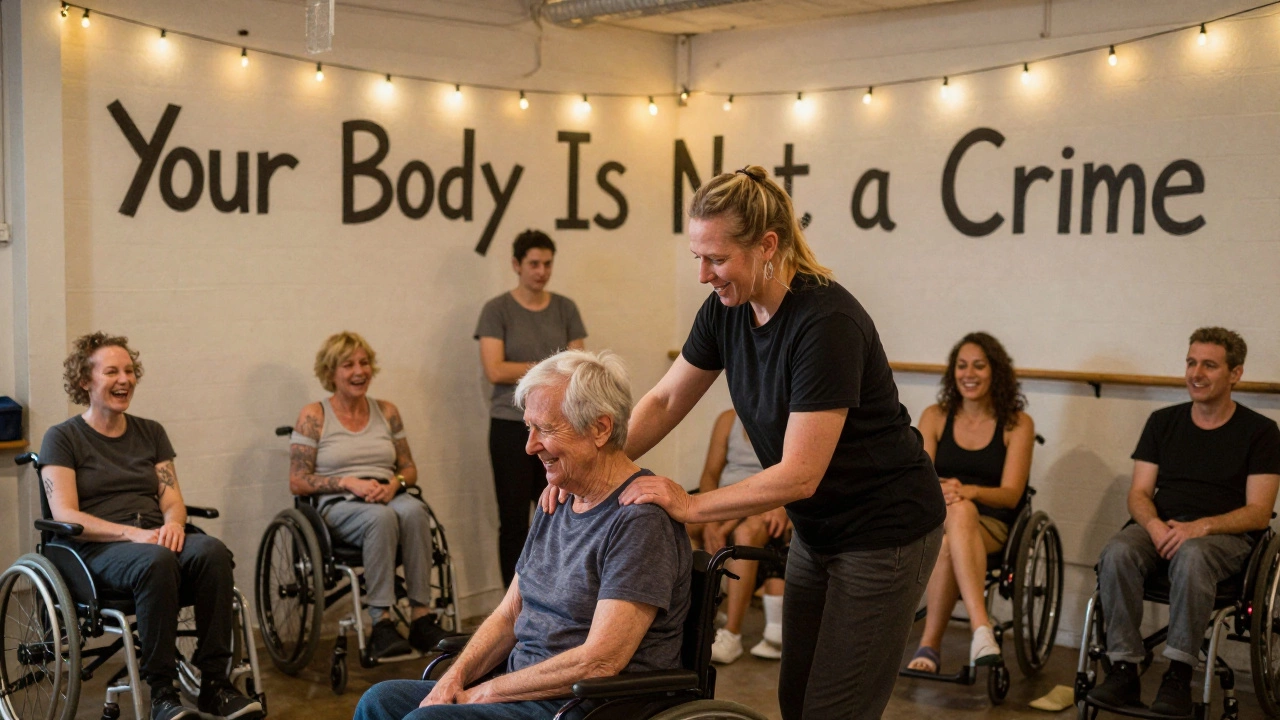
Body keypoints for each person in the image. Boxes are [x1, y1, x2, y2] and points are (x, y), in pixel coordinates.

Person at [547, 166, 947, 720]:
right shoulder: (725, 311)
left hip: (886, 531)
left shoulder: (826, 322)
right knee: (796, 698)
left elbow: (799, 474)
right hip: (819, 528)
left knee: (835, 710)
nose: (704, 275)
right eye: (698, 258)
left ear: (766, 246)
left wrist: (689, 504)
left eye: (716, 259)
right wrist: (591, 470)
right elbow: (664, 402)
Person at [353, 349, 690, 720]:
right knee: (379, 701)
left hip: (587, 704)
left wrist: (485, 692)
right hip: (524, 688)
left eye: (545, 429)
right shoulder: (560, 498)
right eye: (529, 427)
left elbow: (599, 661)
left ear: (600, 428)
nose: (529, 446)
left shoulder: (639, 520)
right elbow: (510, 611)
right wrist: (455, 679)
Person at [39, 332, 263, 720]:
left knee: (211, 551)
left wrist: (176, 524)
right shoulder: (62, 437)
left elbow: (172, 498)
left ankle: (215, 684)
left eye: (129, 370)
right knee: (156, 561)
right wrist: (134, 534)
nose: (124, 379)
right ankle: (162, 692)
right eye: (111, 371)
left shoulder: (151, 432)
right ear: (84, 381)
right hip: (100, 547)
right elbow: (66, 515)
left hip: (155, 536)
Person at [1087, 327, 1280, 716]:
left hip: (1226, 536)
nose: (1196, 373)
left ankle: (1178, 673)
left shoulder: (1261, 431)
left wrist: (1201, 527)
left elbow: (1259, 511)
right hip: (1164, 526)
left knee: (1193, 556)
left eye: (1209, 365)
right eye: (1191, 362)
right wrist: (1156, 526)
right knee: (1118, 551)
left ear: (1235, 374)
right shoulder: (1163, 422)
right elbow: (1139, 494)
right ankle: (1124, 668)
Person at [289, 331, 447, 659]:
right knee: (381, 517)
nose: (359, 371)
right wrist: (347, 481)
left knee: (416, 510)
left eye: (364, 363)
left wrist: (395, 483)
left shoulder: (387, 411)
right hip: (339, 503)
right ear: (330, 372)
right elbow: (298, 481)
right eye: (348, 365)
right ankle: (382, 623)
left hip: (386, 493)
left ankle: (421, 618)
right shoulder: (313, 415)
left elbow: (409, 468)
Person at [905, 332, 1036, 673]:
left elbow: (1011, 493)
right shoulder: (935, 416)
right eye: (962, 366)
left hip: (992, 522)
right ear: (953, 373)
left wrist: (970, 491)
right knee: (951, 529)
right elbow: (919, 476)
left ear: (996, 372)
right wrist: (948, 491)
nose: (969, 374)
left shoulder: (1018, 423)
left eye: (979, 366)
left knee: (958, 520)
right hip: (937, 517)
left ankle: (930, 645)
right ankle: (982, 629)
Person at [475, 229, 587, 586]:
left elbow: (579, 366)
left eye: (547, 264)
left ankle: (557, 594)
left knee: (559, 510)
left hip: (559, 427)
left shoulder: (565, 307)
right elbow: (495, 369)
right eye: (534, 264)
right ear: (516, 265)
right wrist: (551, 369)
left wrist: (527, 368)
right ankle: (512, 604)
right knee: (513, 520)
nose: (541, 271)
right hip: (510, 425)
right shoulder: (497, 310)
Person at [688, 408, 788, 664]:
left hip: (766, 503)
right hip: (728, 500)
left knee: (746, 532)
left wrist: (782, 507)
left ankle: (732, 634)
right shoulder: (727, 420)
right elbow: (710, 475)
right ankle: (698, 617)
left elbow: (792, 475)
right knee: (683, 523)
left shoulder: (789, 418)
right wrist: (709, 518)